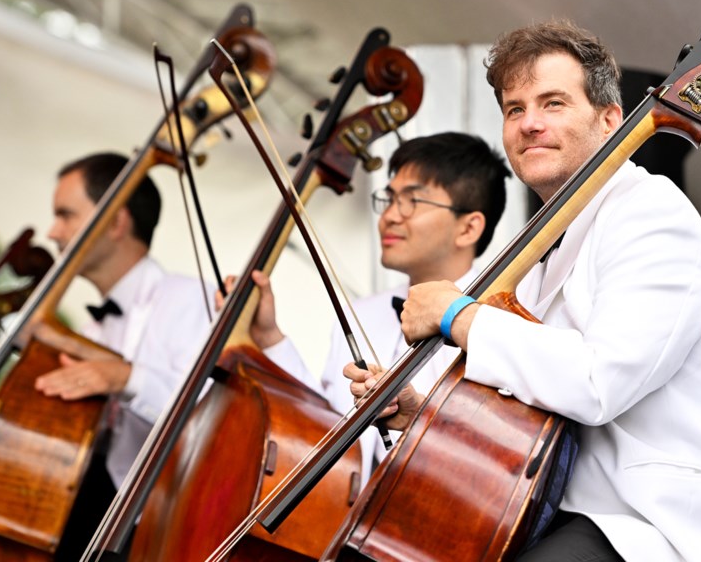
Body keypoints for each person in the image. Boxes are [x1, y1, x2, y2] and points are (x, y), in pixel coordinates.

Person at [348, 20, 701, 560]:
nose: (530, 124)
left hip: (656, 525)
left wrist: (460, 315)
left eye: (553, 103)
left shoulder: (652, 211)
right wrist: (422, 414)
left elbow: (597, 381)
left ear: (609, 120)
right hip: (563, 516)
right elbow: (527, 409)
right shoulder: (538, 250)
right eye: (514, 109)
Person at [230, 131, 511, 481]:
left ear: (469, 228)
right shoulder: (360, 312)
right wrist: (269, 336)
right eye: (389, 199)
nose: (390, 216)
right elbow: (328, 425)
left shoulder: (499, 320)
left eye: (412, 201)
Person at [34, 151, 214, 561]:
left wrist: (127, 379)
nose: (52, 231)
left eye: (66, 215)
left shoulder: (192, 300)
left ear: (117, 221)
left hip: (157, 531)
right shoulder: (88, 331)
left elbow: (210, 417)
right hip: (84, 515)